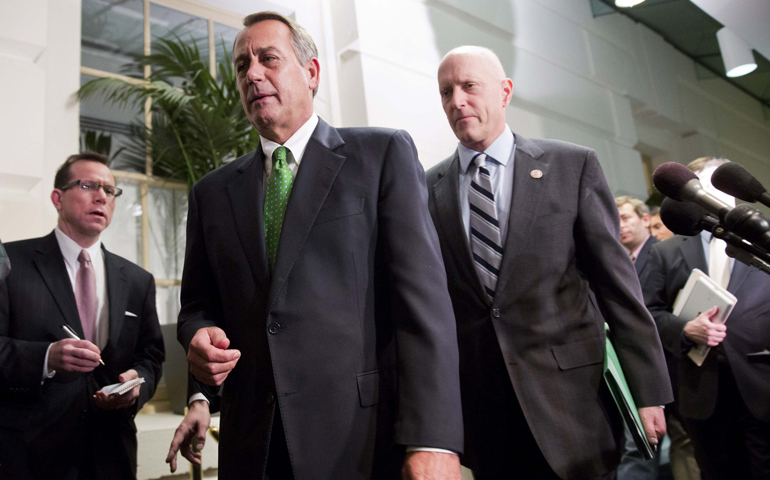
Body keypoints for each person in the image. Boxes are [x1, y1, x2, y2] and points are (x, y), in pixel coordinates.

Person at [166, 11, 463, 480]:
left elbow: (422, 306)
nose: (253, 74)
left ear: (312, 73)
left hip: (360, 439)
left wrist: (434, 439)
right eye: (242, 65)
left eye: (268, 58)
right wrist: (198, 337)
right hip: (253, 446)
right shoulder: (211, 193)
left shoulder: (381, 155)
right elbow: (198, 306)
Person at [426, 46, 672, 480]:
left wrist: (648, 392)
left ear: (505, 92)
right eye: (446, 92)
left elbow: (617, 287)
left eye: (469, 86)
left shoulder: (571, 165)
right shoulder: (426, 187)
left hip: (575, 407)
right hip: (487, 412)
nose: (457, 101)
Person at [0, 152, 165, 479]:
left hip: (112, 454)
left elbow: (152, 356)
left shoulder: (136, 279)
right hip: (29, 456)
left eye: (110, 190)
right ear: (57, 198)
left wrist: (137, 386)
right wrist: (46, 357)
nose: (102, 196)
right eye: (88, 185)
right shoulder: (11, 263)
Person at [642, 157, 770, 480]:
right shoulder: (666, 252)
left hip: (763, 381)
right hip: (703, 392)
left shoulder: (763, 239)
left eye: (723, 186)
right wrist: (684, 329)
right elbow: (647, 314)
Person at [614, 195, 661, 479]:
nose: (620, 226)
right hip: (630, 365)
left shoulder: (662, 253)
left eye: (626, 218)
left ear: (645, 219)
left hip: (665, 362)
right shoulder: (617, 259)